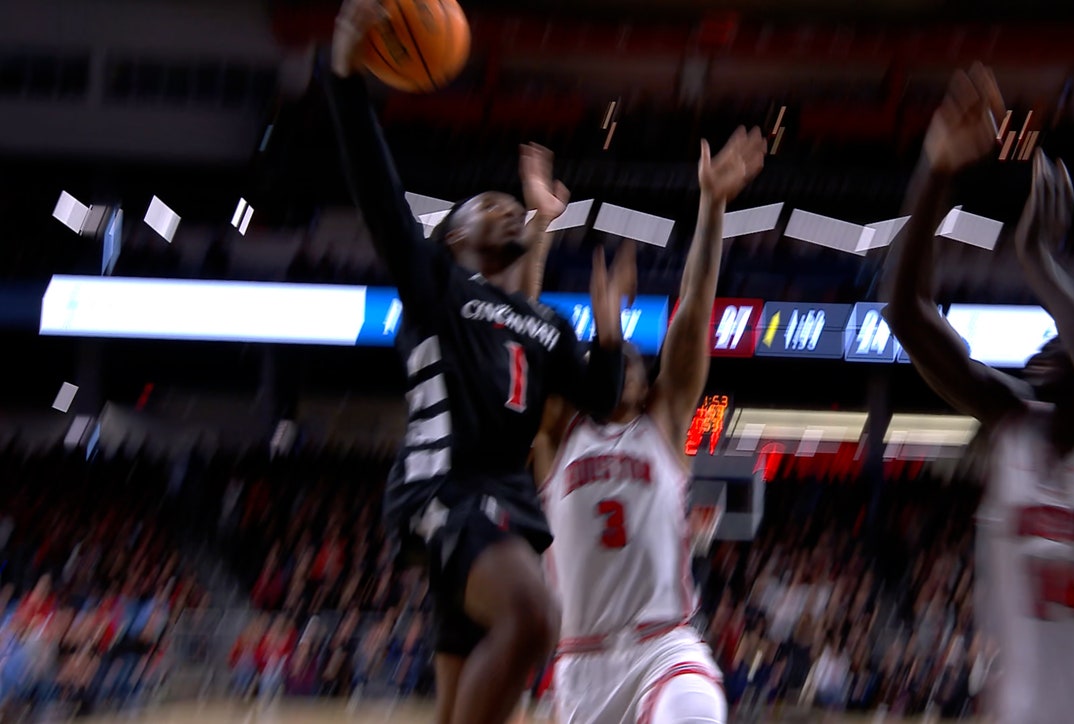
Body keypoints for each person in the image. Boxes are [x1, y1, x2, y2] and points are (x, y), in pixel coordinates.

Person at [322, 2, 626, 722]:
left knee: (470, 702)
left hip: (508, 506)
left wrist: (610, 334)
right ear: (451, 236)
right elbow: (375, 188)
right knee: (534, 617)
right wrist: (342, 74)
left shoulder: (546, 323)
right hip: (445, 490)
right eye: (486, 204)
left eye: (508, 206)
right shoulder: (434, 284)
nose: (505, 209)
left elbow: (605, 401)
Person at [882, 63, 1074, 724]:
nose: (1043, 348)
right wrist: (936, 172)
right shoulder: (1018, 425)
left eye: (1063, 340)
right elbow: (908, 315)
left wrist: (1041, 264)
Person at [527, 128, 765, 723]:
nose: (630, 360)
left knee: (696, 709)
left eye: (638, 359)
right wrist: (538, 229)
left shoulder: (660, 422)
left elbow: (694, 311)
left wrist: (712, 210)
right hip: (580, 664)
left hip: (664, 646)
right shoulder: (558, 436)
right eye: (616, 356)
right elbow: (518, 335)